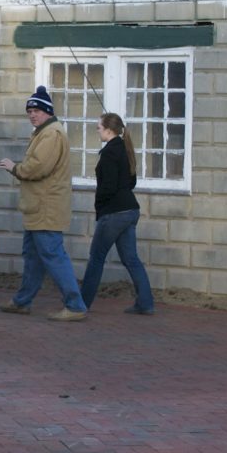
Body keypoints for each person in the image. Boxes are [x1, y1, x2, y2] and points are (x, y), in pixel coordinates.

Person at [0, 85, 87, 320]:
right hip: (38, 208)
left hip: (46, 208)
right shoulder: (44, 132)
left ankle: (75, 305)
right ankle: (22, 301)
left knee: (54, 256)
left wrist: (14, 168)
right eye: (29, 111)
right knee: (34, 257)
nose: (32, 114)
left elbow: (37, 167)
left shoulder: (51, 134)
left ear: (47, 111)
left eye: (36, 110)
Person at [80, 112, 154, 314]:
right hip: (131, 210)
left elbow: (109, 187)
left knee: (96, 258)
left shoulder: (110, 152)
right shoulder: (124, 149)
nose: (97, 130)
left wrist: (100, 207)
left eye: (99, 127)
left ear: (109, 130)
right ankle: (146, 303)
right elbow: (131, 182)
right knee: (131, 259)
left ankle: (80, 304)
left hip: (114, 213)